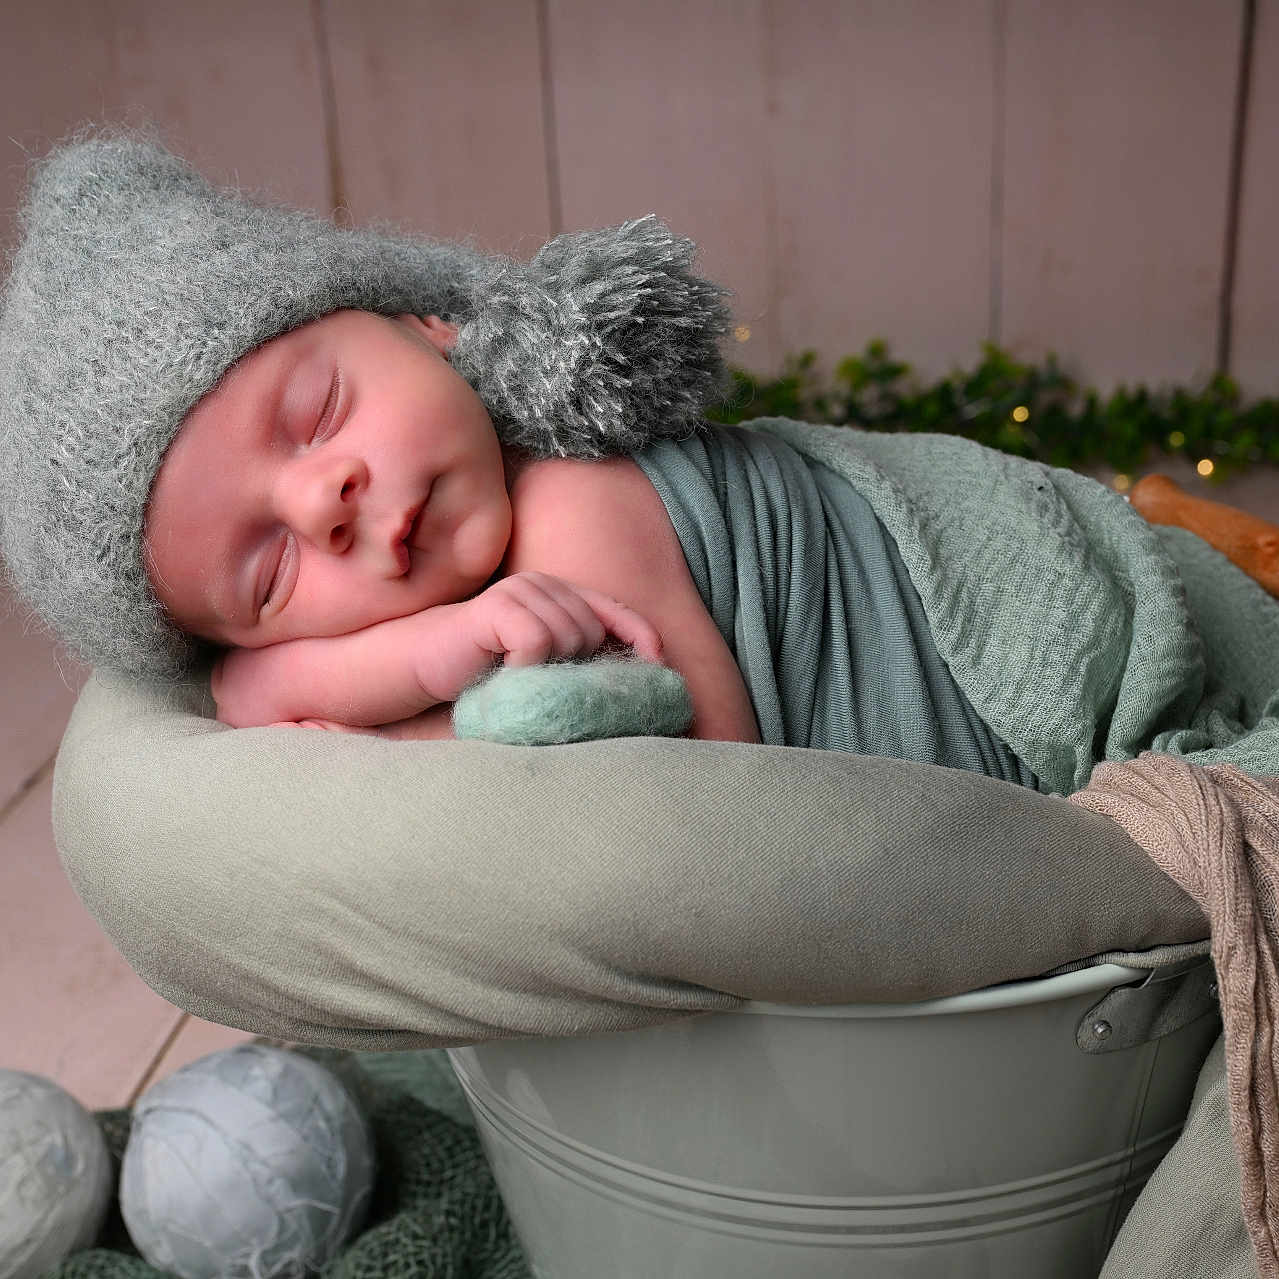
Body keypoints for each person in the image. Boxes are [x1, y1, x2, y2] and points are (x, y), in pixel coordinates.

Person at [4, 131, 1278, 798]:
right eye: (268, 566)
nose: (323, 503)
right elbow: (243, 700)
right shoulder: (443, 594)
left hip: (1021, 619)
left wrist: (418, 690)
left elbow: (704, 818)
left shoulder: (573, 508)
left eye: (317, 410)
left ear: (426, 325)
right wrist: (435, 649)